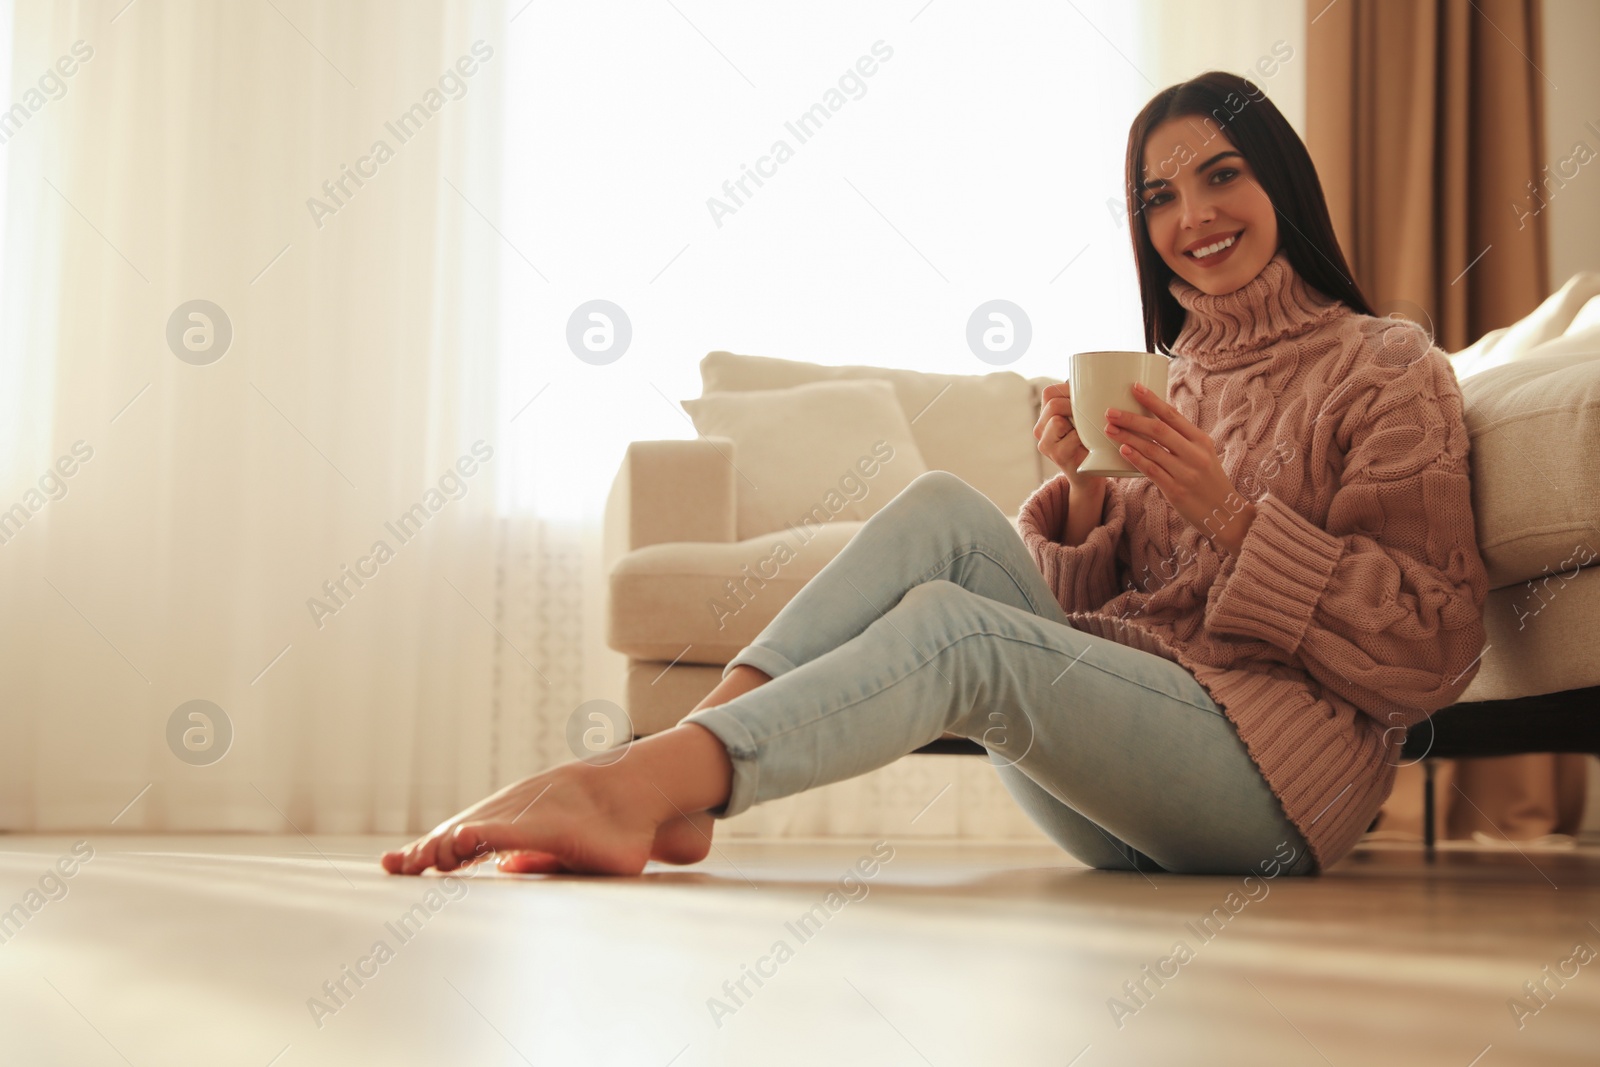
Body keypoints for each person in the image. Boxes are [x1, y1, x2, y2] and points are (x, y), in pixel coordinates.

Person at [381, 70, 1489, 879]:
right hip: (1132, 791)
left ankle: (645, 786)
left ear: (1280, 181)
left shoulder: (1385, 365)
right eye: (1157, 196)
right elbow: (1090, 640)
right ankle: (675, 773)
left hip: (1275, 795)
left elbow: (1432, 646)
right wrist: (1093, 497)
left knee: (961, 630)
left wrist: (1232, 518)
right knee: (942, 510)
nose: (1190, 216)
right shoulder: (1172, 385)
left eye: (1220, 176)